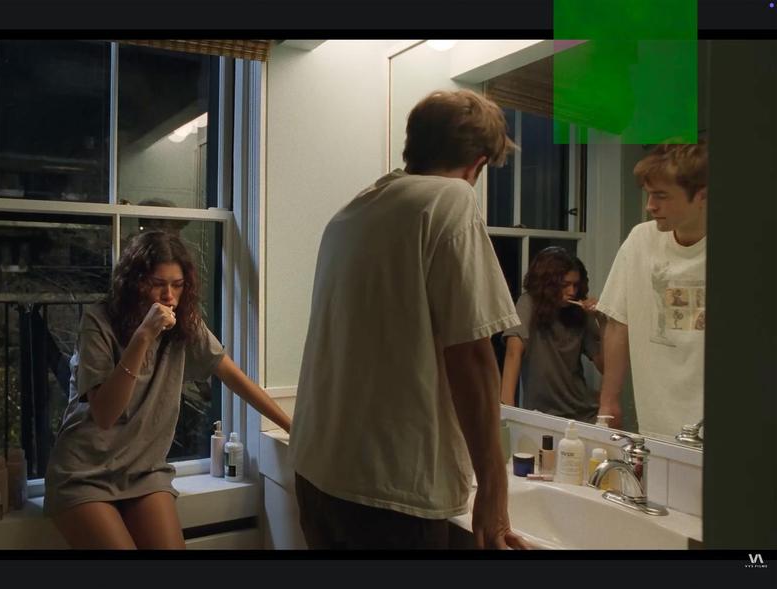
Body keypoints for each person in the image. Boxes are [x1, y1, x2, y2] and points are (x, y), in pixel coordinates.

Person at [288, 89, 528, 550]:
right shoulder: (450, 199)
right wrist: (493, 488)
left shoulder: (352, 213)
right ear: (477, 165)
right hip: (389, 491)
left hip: (318, 475)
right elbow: (471, 356)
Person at [43, 230, 292, 549]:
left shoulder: (185, 324)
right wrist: (143, 336)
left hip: (144, 470)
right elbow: (105, 414)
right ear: (134, 283)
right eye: (158, 284)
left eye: (178, 285)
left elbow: (233, 376)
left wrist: (291, 427)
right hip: (84, 472)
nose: (169, 296)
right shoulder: (99, 322)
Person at [596, 142, 707, 438]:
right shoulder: (640, 240)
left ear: (702, 196)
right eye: (648, 194)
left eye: (661, 195)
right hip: (656, 425)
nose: (650, 206)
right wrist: (608, 401)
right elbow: (618, 323)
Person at [500, 247, 605, 422]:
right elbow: (513, 352)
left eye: (575, 285)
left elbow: (604, 366)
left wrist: (602, 320)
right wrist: (507, 412)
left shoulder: (580, 312)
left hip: (584, 415)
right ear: (547, 284)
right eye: (565, 285)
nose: (572, 292)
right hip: (541, 416)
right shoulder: (528, 303)